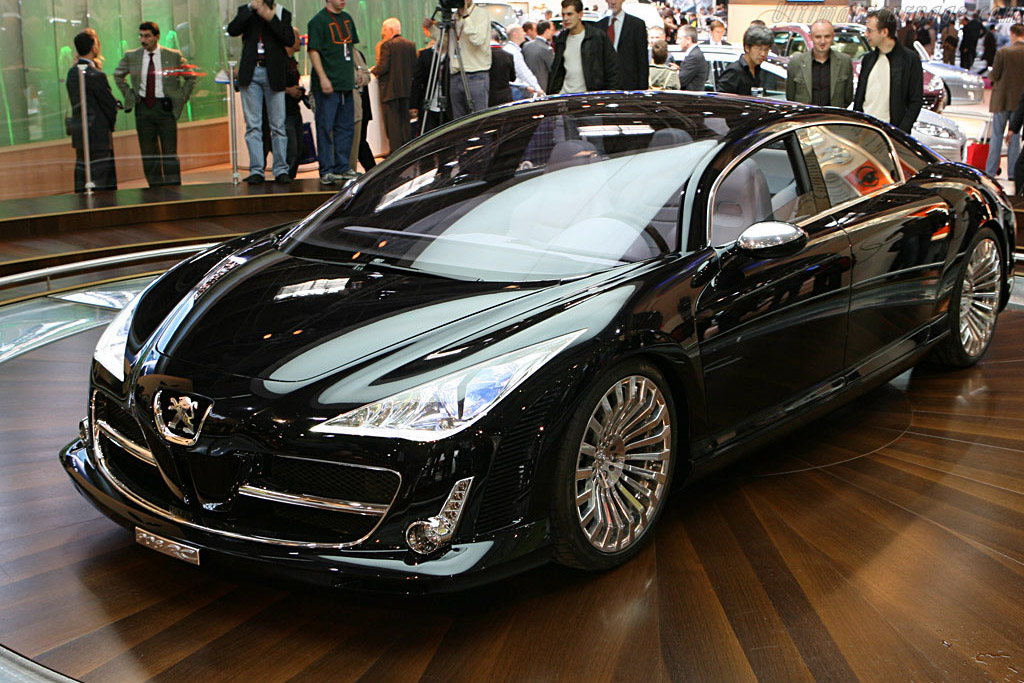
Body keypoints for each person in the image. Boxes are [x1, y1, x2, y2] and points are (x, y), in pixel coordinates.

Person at [113, 21, 195, 187]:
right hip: (143, 108)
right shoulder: (132, 56)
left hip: (165, 108)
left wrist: (181, 97)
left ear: (157, 36)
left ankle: (173, 191)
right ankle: (154, 190)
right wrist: (129, 95)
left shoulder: (173, 55)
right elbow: (117, 75)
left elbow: (191, 77)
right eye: (141, 36)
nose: (143, 40)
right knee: (148, 153)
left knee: (169, 153)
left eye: (147, 36)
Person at [227, 0, 295, 184]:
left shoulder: (282, 12)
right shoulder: (246, 11)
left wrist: (270, 17)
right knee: (253, 125)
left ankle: (281, 169)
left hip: (273, 73)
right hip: (251, 73)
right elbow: (233, 29)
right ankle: (257, 169)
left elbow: (288, 38)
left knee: (278, 126)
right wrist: (251, 10)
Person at [308, 0, 368, 185]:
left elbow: (351, 48)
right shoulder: (318, 21)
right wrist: (323, 77)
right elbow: (313, 51)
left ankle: (343, 166)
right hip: (328, 83)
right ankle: (327, 169)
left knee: (346, 126)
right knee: (325, 127)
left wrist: (358, 68)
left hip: (346, 82)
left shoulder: (347, 19)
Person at [853, 9, 922, 133]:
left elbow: (915, 102)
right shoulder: (868, 59)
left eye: (870, 30)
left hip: (892, 134)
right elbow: (859, 97)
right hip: (864, 131)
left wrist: (901, 133)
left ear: (884, 32)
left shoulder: (909, 60)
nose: (866, 34)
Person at [66, 30, 119, 192]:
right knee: (100, 178)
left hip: (80, 131)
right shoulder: (95, 74)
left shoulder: (72, 72)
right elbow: (108, 104)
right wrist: (111, 120)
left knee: (83, 174)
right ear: (93, 48)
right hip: (97, 133)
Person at [426, 0, 491, 120]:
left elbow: (477, 40)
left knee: (479, 121)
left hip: (475, 74)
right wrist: (431, 28)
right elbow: (447, 42)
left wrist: (466, 16)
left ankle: (481, 140)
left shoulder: (481, 14)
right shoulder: (454, 17)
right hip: (455, 75)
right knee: (459, 122)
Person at [548, 0, 620, 94]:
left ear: (580, 14)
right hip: (564, 96)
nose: (565, 18)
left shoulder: (597, 37)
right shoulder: (561, 39)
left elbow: (613, 69)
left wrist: (609, 96)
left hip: (589, 98)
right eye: (563, 14)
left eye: (570, 14)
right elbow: (556, 71)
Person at [372, 17, 417, 154]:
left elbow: (383, 67)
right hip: (407, 90)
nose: (383, 34)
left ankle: (396, 154)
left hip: (390, 91)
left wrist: (373, 71)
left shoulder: (387, 45)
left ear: (391, 30)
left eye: (384, 30)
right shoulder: (411, 45)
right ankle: (408, 152)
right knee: (405, 124)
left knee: (393, 127)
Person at [785, 20, 854, 108]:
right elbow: (790, 97)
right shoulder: (796, 62)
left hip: (834, 118)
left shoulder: (845, 62)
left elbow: (847, 98)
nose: (822, 41)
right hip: (806, 118)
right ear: (811, 37)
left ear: (833, 37)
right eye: (818, 37)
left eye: (827, 36)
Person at [986, 23, 1024, 179]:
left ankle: (990, 172)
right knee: (1014, 136)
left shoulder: (1003, 52)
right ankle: (1013, 173)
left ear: (1012, 33)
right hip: (1020, 101)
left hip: (1001, 99)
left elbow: (994, 76)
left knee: (997, 136)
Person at [597, 0, 649, 90]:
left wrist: (642, 91)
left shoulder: (636, 25)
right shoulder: (600, 25)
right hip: (604, 85)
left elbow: (642, 60)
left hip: (629, 85)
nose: (613, 2)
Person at [717, 25, 771, 95]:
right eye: (759, 49)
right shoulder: (734, 71)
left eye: (766, 50)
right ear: (747, 48)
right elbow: (720, 100)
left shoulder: (759, 70)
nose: (763, 54)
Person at [283, 27, 307, 178]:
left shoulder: (292, 62)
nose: (300, 41)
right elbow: (272, 85)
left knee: (298, 150)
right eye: (297, 38)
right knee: (291, 150)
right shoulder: (280, 61)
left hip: (293, 109)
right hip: (284, 111)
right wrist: (288, 90)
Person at [504, 25, 544, 100]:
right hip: (515, 91)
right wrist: (537, 88)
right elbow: (523, 72)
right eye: (522, 31)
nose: (524, 33)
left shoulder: (508, 49)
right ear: (515, 34)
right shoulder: (514, 52)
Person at [523, 20, 555, 92]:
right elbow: (553, 68)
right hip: (541, 86)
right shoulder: (547, 49)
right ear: (547, 30)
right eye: (551, 30)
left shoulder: (526, 45)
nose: (552, 33)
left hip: (527, 84)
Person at [489, 29, 516, 105]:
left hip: (489, 96)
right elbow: (512, 78)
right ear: (499, 41)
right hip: (505, 96)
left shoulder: (484, 56)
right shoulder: (508, 55)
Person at [676, 25, 708, 91]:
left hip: (691, 98)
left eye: (679, 38)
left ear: (688, 40)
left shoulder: (694, 56)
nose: (677, 41)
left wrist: (675, 73)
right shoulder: (694, 54)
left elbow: (680, 81)